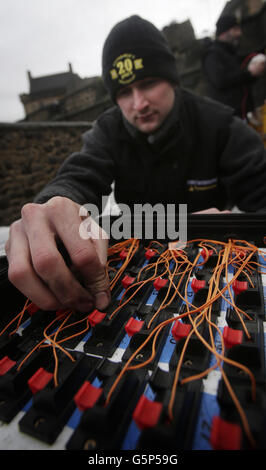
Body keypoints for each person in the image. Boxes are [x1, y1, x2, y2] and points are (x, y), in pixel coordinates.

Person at [5, 15, 266, 316]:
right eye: (124, 92)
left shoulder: (220, 124)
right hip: (141, 272)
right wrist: (51, 211)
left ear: (173, 79)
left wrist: (229, 226)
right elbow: (79, 176)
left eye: (148, 83)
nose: (138, 103)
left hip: (210, 265)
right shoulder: (108, 130)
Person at [202, 14, 266, 119]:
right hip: (231, 120)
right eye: (235, 29)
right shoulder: (212, 54)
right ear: (225, 32)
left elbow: (241, 77)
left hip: (245, 115)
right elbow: (220, 81)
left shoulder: (230, 52)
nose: (239, 33)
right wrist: (250, 73)